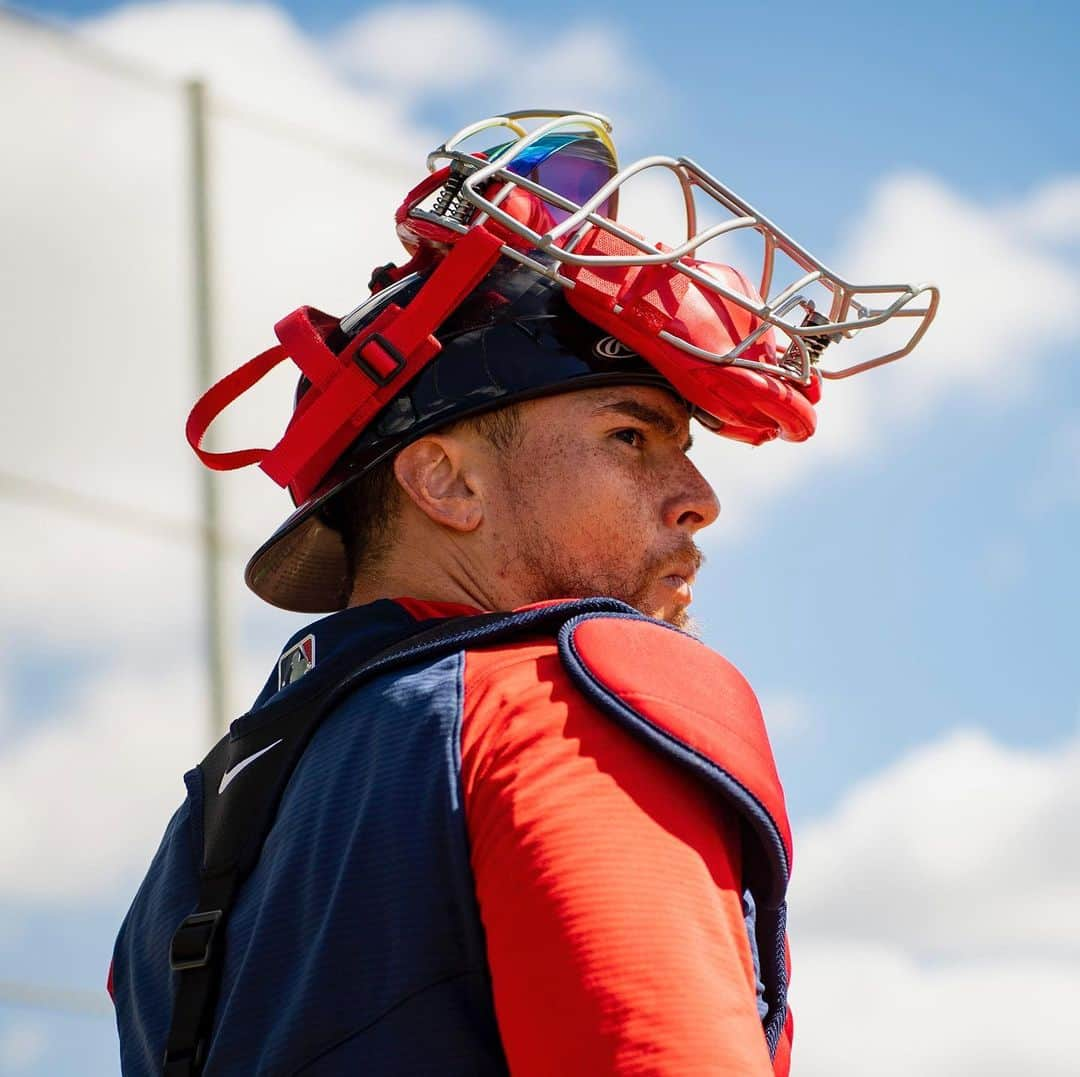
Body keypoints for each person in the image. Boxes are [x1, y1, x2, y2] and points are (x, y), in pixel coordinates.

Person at [109, 110, 937, 1076]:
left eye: (686, 447)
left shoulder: (181, 862)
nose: (699, 500)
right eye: (632, 435)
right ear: (446, 481)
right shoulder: (552, 699)